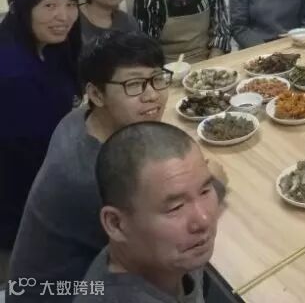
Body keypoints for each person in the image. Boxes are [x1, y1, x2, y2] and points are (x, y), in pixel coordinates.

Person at [8, 31, 226, 300]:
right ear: (96, 94)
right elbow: (166, 248)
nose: (152, 96)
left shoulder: (82, 118)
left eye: (157, 79)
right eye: (133, 85)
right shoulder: (88, 176)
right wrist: (213, 185)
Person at [74, 122, 220, 302]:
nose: (204, 220)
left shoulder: (169, 252)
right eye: (176, 207)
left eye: (205, 191)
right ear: (116, 224)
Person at [0, 0, 81, 280]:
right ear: (21, 8)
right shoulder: (12, 72)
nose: (64, 16)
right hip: (20, 200)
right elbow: (35, 153)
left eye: (70, 4)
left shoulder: (51, 45)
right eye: (49, 6)